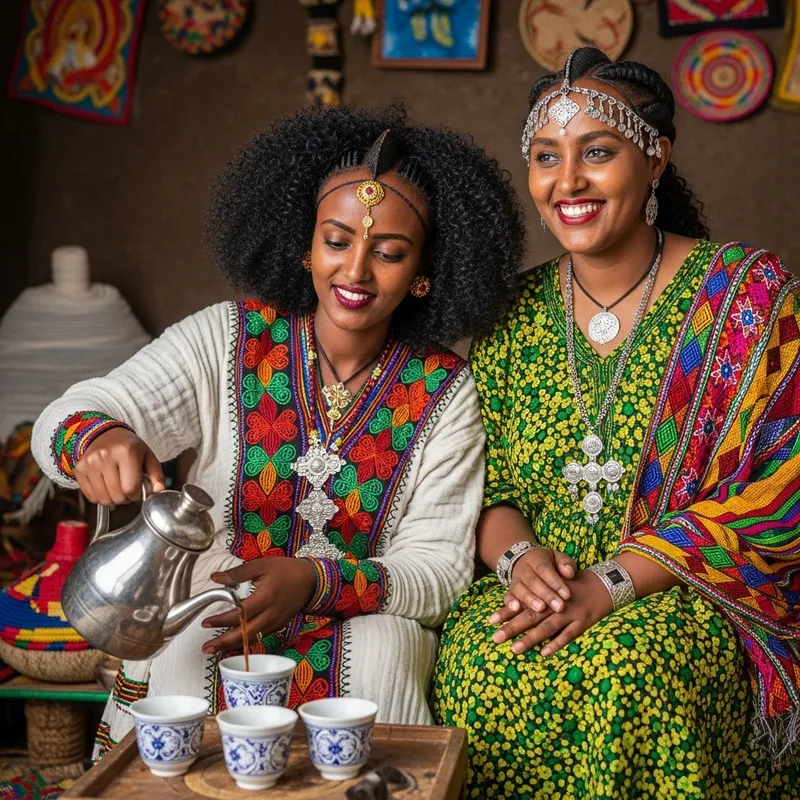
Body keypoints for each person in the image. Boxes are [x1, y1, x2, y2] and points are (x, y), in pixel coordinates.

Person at [31, 104, 525, 757]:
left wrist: (316, 581)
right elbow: (71, 414)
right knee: (191, 638)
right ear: (305, 244)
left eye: (389, 252)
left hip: (364, 619)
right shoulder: (227, 338)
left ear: (425, 272)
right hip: (219, 597)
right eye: (337, 240)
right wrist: (97, 438)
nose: (355, 271)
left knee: (382, 650)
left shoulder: (445, 390)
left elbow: (437, 571)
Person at [432, 47, 799, 798]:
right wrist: (520, 563)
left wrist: (614, 584)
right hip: (537, 591)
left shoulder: (750, 297)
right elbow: (481, 485)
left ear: (656, 157)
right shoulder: (510, 314)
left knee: (633, 671)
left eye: (596, 153)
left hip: (691, 596)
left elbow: (786, 488)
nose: (567, 183)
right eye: (545, 158)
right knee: (483, 660)